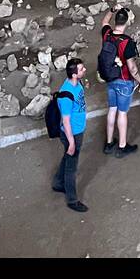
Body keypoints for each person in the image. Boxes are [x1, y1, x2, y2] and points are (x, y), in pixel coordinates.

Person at [99, 7, 140, 157]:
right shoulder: (127, 42)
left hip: (110, 79)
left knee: (112, 109)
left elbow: (104, 21)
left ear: (116, 21)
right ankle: (122, 146)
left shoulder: (107, 34)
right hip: (124, 81)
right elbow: (132, 67)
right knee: (122, 113)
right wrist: (139, 80)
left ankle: (109, 143)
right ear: (127, 22)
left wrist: (112, 10)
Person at [52, 58, 88, 212]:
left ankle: (58, 183)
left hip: (78, 129)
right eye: (81, 69)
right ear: (74, 74)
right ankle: (72, 200)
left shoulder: (76, 83)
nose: (84, 70)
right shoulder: (65, 96)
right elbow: (66, 122)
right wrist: (71, 142)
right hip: (72, 133)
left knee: (68, 158)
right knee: (71, 167)